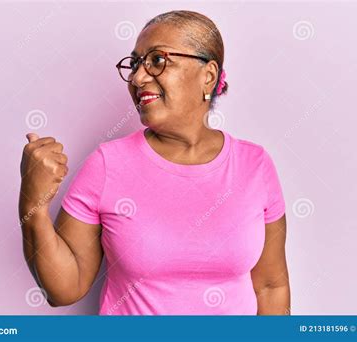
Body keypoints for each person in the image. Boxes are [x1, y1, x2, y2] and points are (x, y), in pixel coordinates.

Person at [18, 10, 290, 315]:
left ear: (208, 76)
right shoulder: (107, 164)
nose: (137, 77)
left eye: (157, 61)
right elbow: (64, 289)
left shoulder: (255, 166)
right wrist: (33, 204)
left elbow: (270, 286)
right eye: (135, 64)